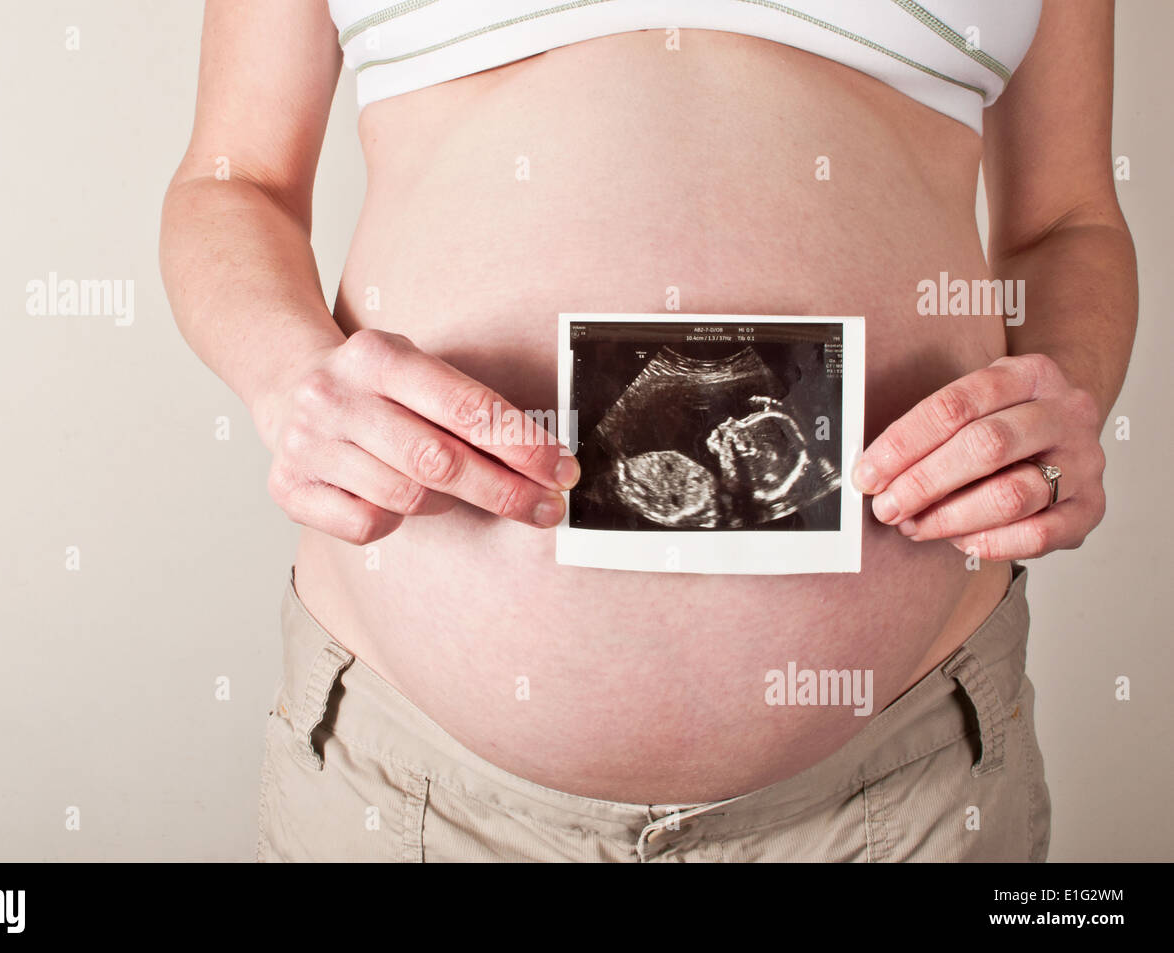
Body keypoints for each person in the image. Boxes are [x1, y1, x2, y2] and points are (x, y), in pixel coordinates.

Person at [159, 0, 1136, 862]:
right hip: (417, 786)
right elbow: (232, 178)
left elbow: (1065, 223)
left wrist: (1067, 391)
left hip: (901, 782)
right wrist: (288, 373)